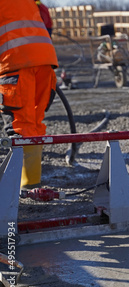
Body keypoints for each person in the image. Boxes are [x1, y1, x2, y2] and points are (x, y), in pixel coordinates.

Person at [0, 0, 58, 189]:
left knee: (21, 124)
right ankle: (31, 183)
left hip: (16, 63)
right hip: (45, 61)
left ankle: (23, 186)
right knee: (33, 123)